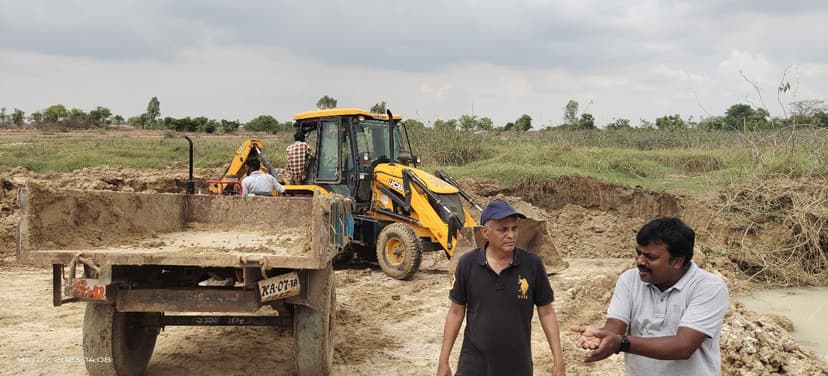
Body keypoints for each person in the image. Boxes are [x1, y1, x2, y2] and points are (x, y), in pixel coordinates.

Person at [571, 216, 729, 375]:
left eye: (650, 257)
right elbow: (615, 327)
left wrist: (621, 343)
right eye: (638, 253)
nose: (639, 261)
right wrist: (600, 335)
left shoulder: (708, 287)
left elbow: (683, 346)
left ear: (677, 262)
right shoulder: (630, 280)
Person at [437, 199, 566, 376]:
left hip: (517, 366)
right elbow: (456, 312)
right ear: (485, 233)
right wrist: (443, 361)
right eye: (503, 229)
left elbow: (547, 312)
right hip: (474, 366)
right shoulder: (467, 264)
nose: (511, 235)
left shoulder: (532, 265)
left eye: (514, 228)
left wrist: (558, 361)